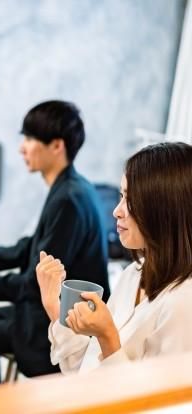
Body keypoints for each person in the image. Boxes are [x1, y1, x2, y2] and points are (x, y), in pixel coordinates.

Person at [0, 100, 110, 385]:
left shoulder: (69, 200)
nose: (22, 148)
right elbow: (29, 247)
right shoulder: (71, 187)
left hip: (56, 324)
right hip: (42, 311)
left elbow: (34, 284)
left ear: (57, 145)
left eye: (30, 138)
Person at [37, 141, 192, 374]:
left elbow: (157, 398)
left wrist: (107, 336)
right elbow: (85, 370)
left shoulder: (182, 304)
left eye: (131, 201)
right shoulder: (134, 274)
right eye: (121, 196)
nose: (116, 211)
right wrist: (53, 305)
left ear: (165, 210)